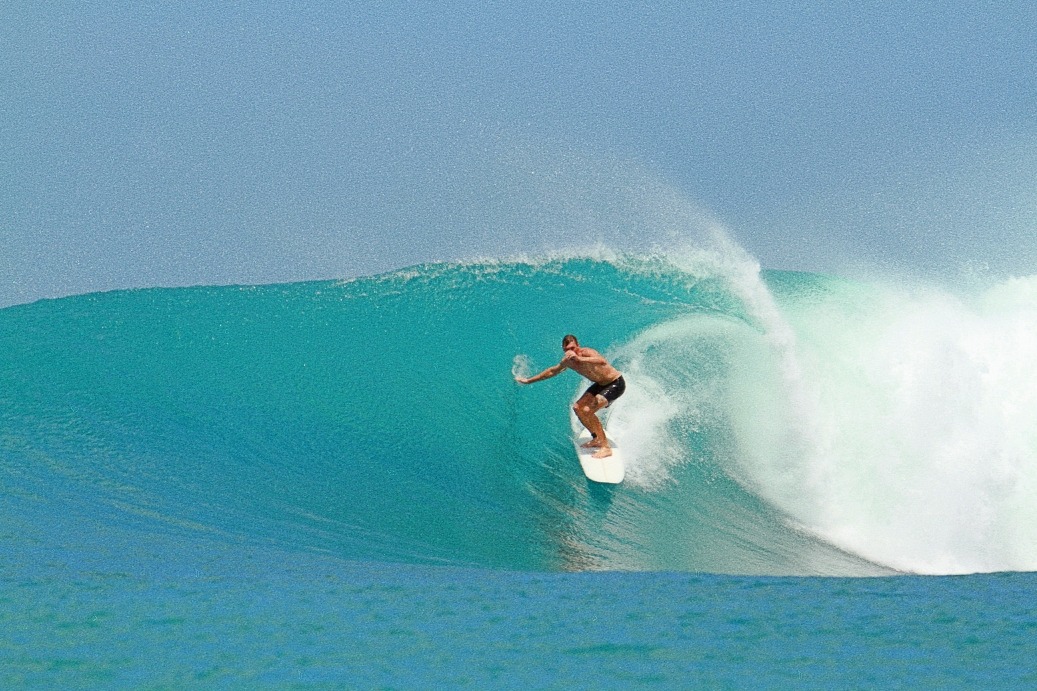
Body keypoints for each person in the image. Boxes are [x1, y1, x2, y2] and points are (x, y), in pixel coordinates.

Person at [515, 334, 626, 458]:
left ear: (578, 345)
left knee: (587, 410)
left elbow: (602, 361)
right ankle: (596, 438)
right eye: (566, 349)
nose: (570, 351)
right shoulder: (568, 362)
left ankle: (606, 448)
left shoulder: (587, 352)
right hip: (600, 385)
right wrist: (529, 380)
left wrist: (580, 359)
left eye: (572, 348)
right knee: (577, 408)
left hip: (615, 383)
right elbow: (552, 371)